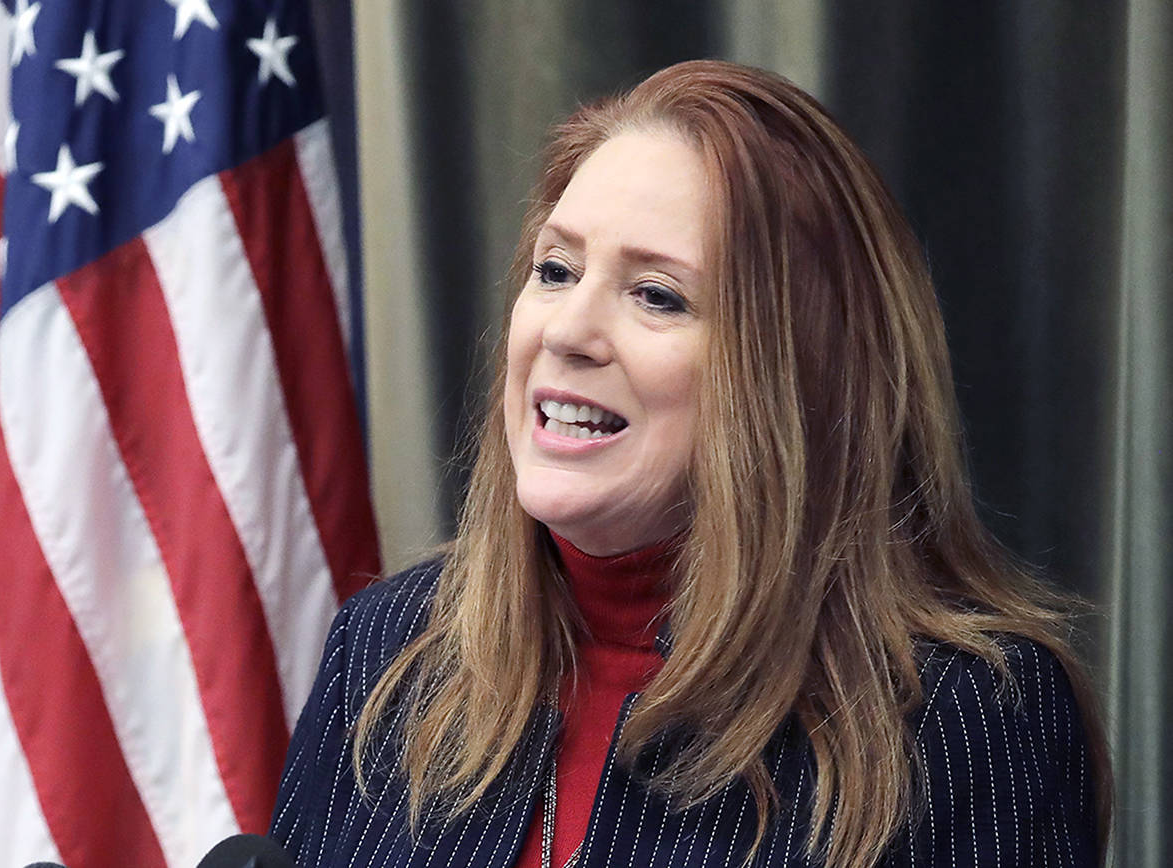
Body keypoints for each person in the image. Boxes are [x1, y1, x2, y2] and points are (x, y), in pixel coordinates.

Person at [269, 60, 1111, 868]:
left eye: (656, 295)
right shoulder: (387, 650)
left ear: (799, 373)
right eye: (555, 270)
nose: (566, 331)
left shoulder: (968, 717)